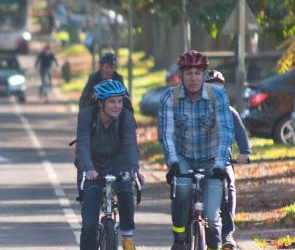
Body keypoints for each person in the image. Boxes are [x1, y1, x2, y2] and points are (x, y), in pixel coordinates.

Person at [158, 50, 234, 250]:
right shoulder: (170, 97)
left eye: (198, 73)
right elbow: (166, 134)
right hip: (183, 157)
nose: (193, 78)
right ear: (181, 75)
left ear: (204, 74)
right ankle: (179, 238)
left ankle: (214, 244)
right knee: (181, 189)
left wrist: (219, 164)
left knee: (211, 213)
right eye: (189, 73)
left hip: (211, 158)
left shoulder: (217, 95)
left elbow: (225, 131)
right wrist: (173, 162)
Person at [76, 79, 140, 250]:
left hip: (118, 163)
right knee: (89, 225)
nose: (117, 105)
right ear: (101, 102)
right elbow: (82, 144)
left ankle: (127, 236)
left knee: (126, 192)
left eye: (120, 101)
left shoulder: (126, 116)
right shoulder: (86, 115)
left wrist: (134, 168)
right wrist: (88, 168)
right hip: (92, 166)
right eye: (112, 101)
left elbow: (130, 144)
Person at [205, 70, 251, 250]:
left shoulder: (230, 112)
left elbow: (241, 136)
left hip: (223, 161)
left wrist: (244, 153)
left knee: (229, 185)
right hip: (200, 161)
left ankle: (227, 235)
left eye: (218, 87)